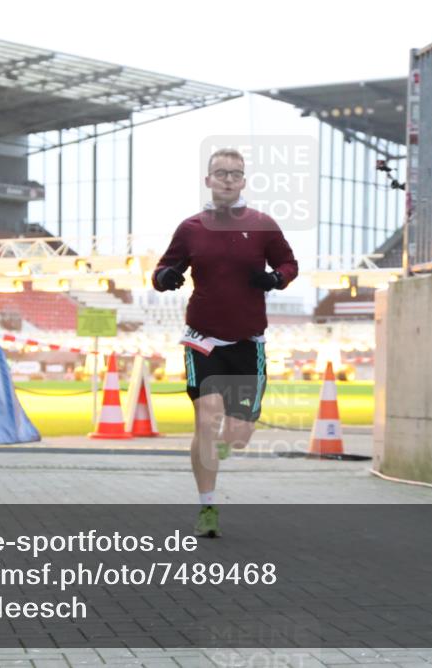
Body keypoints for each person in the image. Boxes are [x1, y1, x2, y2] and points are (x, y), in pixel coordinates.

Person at [152, 147, 298, 537]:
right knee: (207, 416)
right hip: (203, 338)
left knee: (238, 434)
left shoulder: (263, 225)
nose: (228, 179)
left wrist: (276, 279)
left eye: (235, 173)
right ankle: (207, 507)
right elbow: (164, 267)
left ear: (244, 181)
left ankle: (220, 451)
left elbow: (289, 264)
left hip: (248, 341)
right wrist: (166, 277)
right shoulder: (191, 228)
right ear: (208, 180)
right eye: (221, 173)